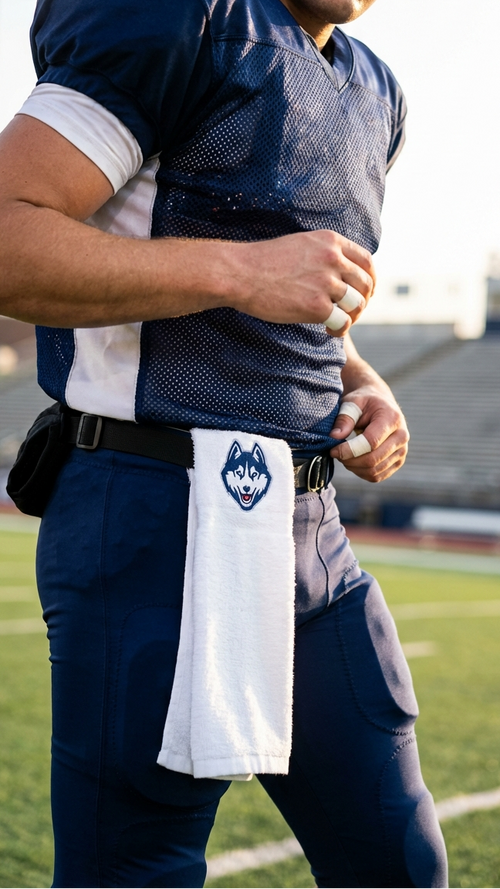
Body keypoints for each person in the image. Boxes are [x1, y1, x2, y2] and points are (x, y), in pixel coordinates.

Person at [0, 0, 448, 886]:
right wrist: (239, 272)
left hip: (308, 528)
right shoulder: (173, 17)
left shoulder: (375, 90)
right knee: (137, 870)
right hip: (150, 510)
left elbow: (305, 292)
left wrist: (360, 378)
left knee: (397, 860)